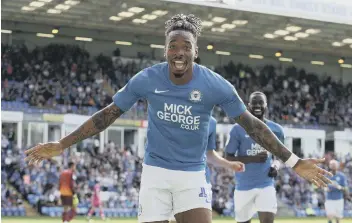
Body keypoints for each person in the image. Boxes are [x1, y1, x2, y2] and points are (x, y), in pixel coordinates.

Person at [25, 14, 332, 223]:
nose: (179, 51)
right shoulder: (146, 79)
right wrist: (62, 144)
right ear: (165, 50)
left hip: (192, 176)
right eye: (173, 45)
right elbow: (107, 116)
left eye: (186, 46)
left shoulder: (215, 85)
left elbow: (253, 125)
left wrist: (294, 162)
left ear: (196, 51)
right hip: (155, 175)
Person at [169, 116, 245, 222]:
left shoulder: (212, 122)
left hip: (201, 179)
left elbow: (209, 153)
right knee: (176, 219)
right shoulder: (179, 116)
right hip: (176, 176)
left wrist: (229, 165)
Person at [225, 91, 284, 223]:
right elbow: (228, 157)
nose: (258, 105)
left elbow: (280, 157)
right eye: (254, 103)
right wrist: (252, 159)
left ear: (266, 105)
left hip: (266, 184)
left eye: (260, 103)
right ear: (249, 105)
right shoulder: (237, 129)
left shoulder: (276, 130)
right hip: (243, 186)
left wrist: (275, 166)